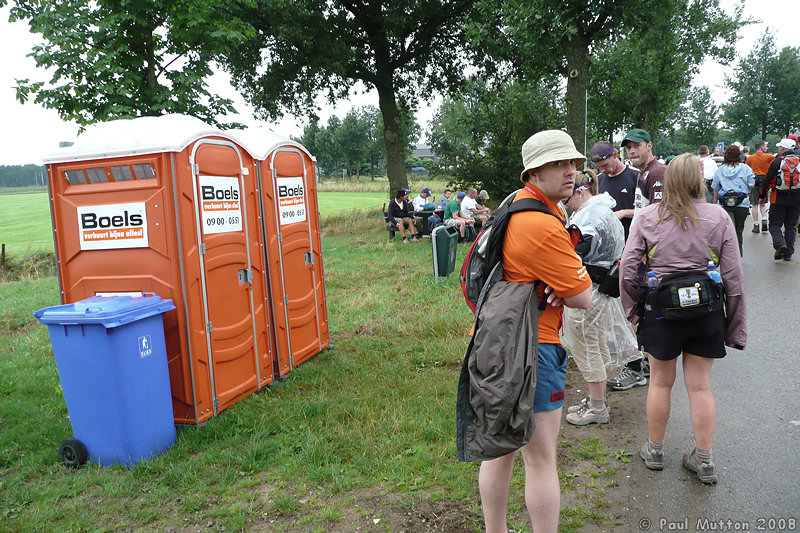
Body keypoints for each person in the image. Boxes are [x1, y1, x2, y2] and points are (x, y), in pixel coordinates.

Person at [478, 130, 592, 533]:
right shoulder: (542, 224)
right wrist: (566, 284)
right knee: (540, 458)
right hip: (535, 348)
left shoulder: (514, 205)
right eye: (559, 164)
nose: (572, 171)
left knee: (498, 451)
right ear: (534, 171)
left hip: (495, 344)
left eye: (573, 163)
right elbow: (582, 297)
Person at [620, 153, 746, 485]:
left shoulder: (647, 216)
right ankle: (703, 460)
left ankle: (655, 449)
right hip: (706, 314)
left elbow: (629, 270)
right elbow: (733, 276)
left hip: (660, 314)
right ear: (699, 181)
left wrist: (633, 314)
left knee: (661, 381)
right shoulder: (718, 217)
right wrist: (734, 325)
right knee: (700, 386)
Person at [563, 169, 626, 426]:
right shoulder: (604, 210)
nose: (564, 205)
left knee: (587, 346)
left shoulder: (588, 217)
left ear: (580, 192)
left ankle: (597, 406)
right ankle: (597, 398)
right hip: (604, 286)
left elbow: (575, 252)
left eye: (566, 199)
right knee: (596, 343)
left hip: (590, 288)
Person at [590, 141, 647, 239]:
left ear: (615, 155)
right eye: (598, 167)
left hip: (633, 239)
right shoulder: (598, 180)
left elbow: (648, 210)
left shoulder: (637, 176)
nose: (602, 170)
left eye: (605, 165)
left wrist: (623, 213)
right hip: (608, 243)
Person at [760, 138, 800, 261]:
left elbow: (767, 180)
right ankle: (788, 253)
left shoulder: (777, 162)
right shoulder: (799, 161)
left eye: (779, 147)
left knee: (775, 224)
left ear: (783, 148)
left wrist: (762, 195)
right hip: (796, 199)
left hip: (778, 198)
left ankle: (780, 244)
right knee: (791, 226)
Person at [712, 144, 755, 256]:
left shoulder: (720, 170)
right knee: (739, 230)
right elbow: (751, 185)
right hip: (742, 204)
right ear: (739, 155)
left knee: (728, 231)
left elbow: (715, 188)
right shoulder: (746, 169)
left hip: (725, 204)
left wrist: (715, 204)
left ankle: (729, 254)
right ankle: (738, 254)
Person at [622, 129, 666, 204]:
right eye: (629, 147)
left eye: (637, 146)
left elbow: (658, 211)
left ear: (649, 146)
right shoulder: (643, 171)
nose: (632, 151)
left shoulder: (657, 172)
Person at [745, 140, 774, 233]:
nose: (767, 148)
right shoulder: (769, 157)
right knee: (763, 203)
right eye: (766, 146)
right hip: (765, 181)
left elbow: (747, 170)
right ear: (762, 147)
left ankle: (756, 224)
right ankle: (764, 220)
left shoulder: (750, 158)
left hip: (754, 181)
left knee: (754, 204)